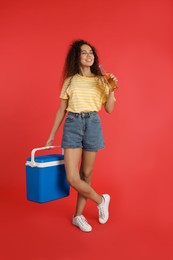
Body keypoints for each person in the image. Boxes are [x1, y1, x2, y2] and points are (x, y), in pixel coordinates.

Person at [45, 39, 117, 232]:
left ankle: (78, 216)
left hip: (93, 124)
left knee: (86, 174)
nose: (89, 55)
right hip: (73, 124)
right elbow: (61, 110)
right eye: (84, 52)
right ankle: (101, 200)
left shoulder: (101, 80)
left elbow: (109, 109)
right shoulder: (70, 80)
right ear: (76, 56)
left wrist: (111, 90)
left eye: (91, 52)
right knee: (72, 177)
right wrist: (52, 135)